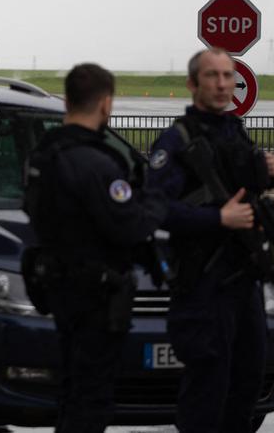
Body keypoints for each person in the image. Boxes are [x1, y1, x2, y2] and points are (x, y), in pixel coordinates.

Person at [147, 48, 274, 433]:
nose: (223, 84)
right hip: (203, 286)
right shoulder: (176, 141)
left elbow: (242, 187)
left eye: (228, 76)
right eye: (212, 75)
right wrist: (218, 219)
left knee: (247, 384)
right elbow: (155, 209)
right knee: (206, 392)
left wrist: (273, 171)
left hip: (245, 280)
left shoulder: (233, 132)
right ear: (193, 84)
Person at [23, 63, 167, 432]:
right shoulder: (95, 162)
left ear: (67, 100)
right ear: (105, 103)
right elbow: (129, 225)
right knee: (92, 397)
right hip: (95, 294)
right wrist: (155, 201)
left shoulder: (44, 154)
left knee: (72, 389)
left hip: (59, 285)